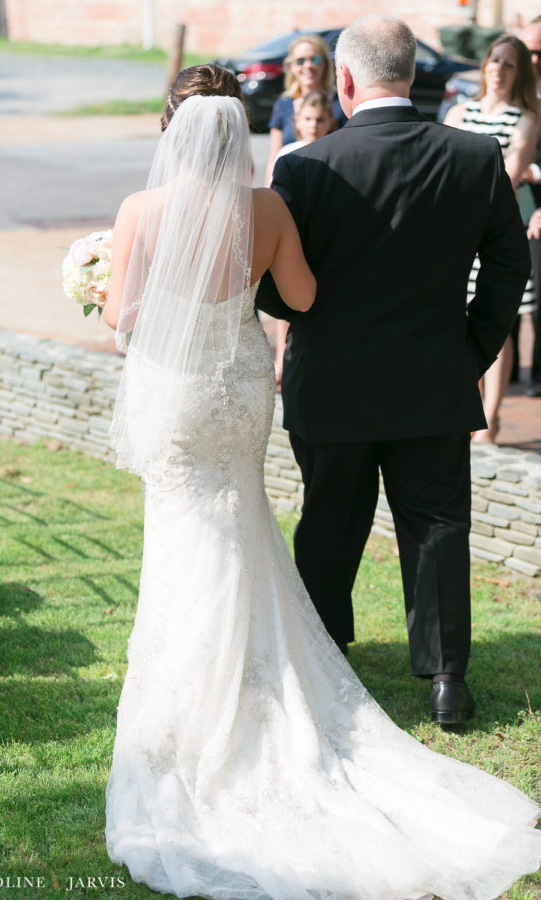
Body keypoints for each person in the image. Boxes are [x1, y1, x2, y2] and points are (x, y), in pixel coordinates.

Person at [101, 59, 541, 900]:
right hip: (239, 390)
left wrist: (124, 285)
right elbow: (299, 295)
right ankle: (414, 676)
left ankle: (203, 693)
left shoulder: (141, 209)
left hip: (178, 395)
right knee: (247, 523)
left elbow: (123, 316)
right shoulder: (267, 207)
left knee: (198, 530)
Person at [257, 15, 531, 726]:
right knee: (437, 526)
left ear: (345, 80)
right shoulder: (473, 157)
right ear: (411, 74)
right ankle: (446, 680)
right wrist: (471, 352)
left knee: (328, 522)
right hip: (432, 379)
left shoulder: (304, 167)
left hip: (332, 382)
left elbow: (274, 287)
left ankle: (325, 656)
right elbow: (511, 265)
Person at [444, 34, 539, 440]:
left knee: (497, 322)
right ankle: (470, 410)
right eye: (494, 60)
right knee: (458, 320)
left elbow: (510, 173)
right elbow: (441, 165)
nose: (499, 68)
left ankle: (491, 418)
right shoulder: (459, 111)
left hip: (496, 233)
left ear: (520, 73)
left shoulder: (526, 117)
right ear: (485, 65)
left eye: (509, 63)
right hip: (456, 233)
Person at [272, 90, 334, 384]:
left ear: (329, 121)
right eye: (308, 119)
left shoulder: (334, 152)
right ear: (297, 121)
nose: (313, 125)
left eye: (319, 120)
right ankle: (282, 358)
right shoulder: (288, 154)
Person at [264, 33, 345, 186]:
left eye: (315, 59)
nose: (308, 66)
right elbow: (273, 159)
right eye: (300, 61)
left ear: (325, 63)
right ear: (292, 66)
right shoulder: (283, 104)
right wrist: (268, 191)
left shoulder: (340, 103)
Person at [518, 18, 541, 397]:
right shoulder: (514, 89)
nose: (534, 59)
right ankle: (503, 371)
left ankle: (538, 374)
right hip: (507, 203)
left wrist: (532, 171)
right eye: (530, 50)